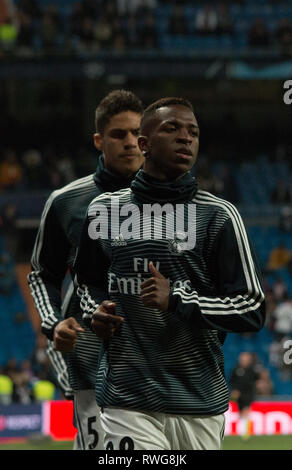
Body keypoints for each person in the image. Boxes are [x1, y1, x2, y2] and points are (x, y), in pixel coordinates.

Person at [75, 97, 266, 450]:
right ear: (144, 144)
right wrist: (94, 311)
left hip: (198, 401)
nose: (185, 138)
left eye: (193, 132)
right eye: (172, 129)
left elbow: (251, 308)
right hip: (126, 395)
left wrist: (178, 299)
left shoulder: (220, 216)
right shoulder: (104, 210)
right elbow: (87, 282)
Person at [27, 89, 144, 449]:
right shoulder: (66, 201)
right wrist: (53, 324)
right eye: (118, 134)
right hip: (88, 352)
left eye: (138, 135)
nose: (130, 143)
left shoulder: (177, 203)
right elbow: (41, 275)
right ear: (98, 140)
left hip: (154, 354)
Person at [229, 352, 260, 438]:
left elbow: (257, 379)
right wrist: (234, 390)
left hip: (249, 393)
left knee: (247, 410)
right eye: (242, 359)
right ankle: (242, 430)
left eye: (245, 359)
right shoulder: (236, 369)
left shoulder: (252, 370)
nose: (243, 361)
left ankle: (246, 432)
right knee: (240, 412)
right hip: (239, 395)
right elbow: (231, 381)